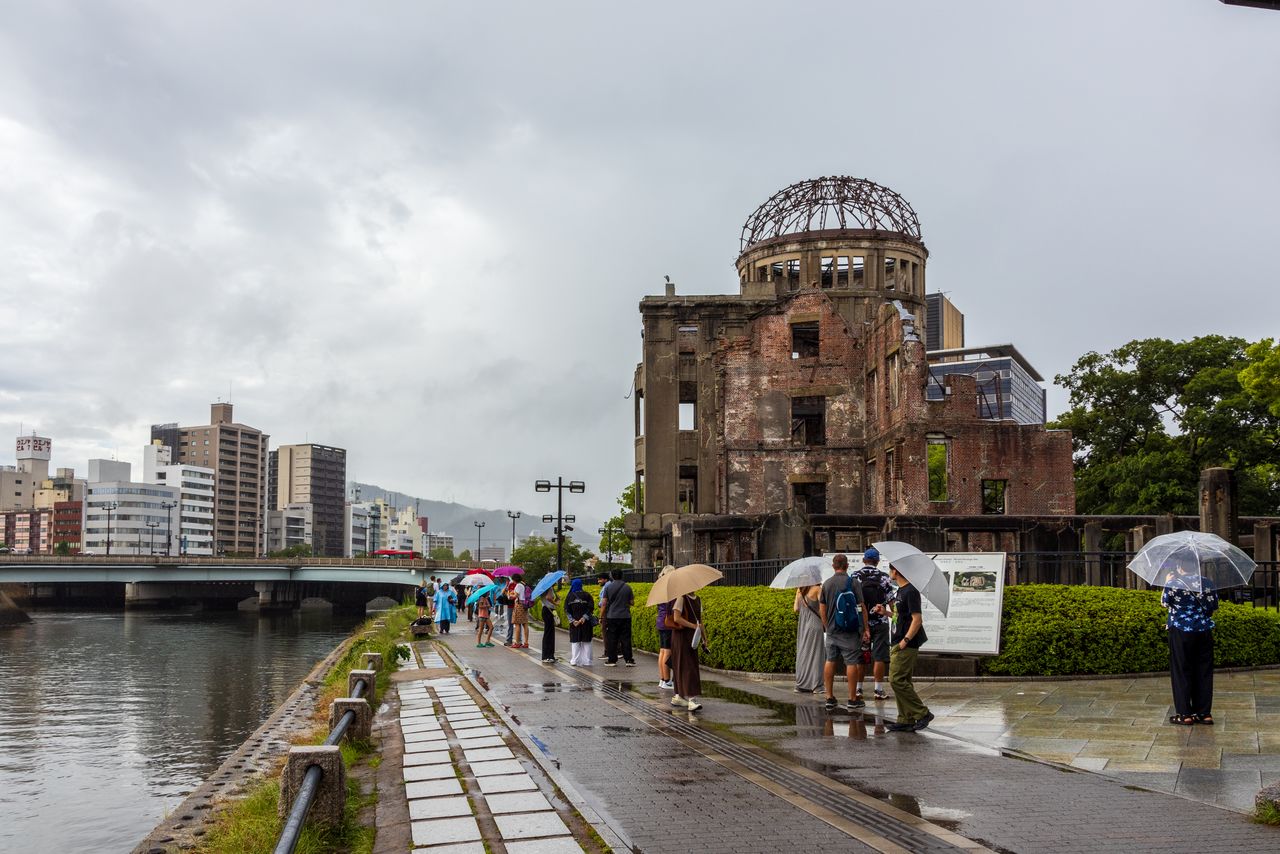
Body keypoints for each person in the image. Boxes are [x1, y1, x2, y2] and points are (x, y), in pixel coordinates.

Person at [1162, 565, 1219, 725]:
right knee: (1204, 671)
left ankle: (1184, 714)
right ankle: (1204, 713)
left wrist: (1167, 582)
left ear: (1180, 567)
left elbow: (1165, 603)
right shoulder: (1207, 583)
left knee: (1181, 670)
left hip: (1181, 630)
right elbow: (1213, 606)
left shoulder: (1173, 583)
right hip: (1203, 630)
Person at [819, 553, 872, 711]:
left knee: (830, 660)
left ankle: (829, 697)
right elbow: (861, 606)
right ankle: (852, 699)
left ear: (833, 566)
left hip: (832, 630)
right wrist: (866, 628)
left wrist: (827, 626)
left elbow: (822, 608)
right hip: (850, 631)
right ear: (847, 566)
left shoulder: (827, 584)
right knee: (851, 662)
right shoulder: (853, 583)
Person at [885, 562, 932, 732]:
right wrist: (885, 613)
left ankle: (922, 713)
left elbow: (917, 619)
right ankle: (905, 718)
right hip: (898, 640)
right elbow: (900, 616)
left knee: (896, 680)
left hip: (906, 643)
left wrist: (905, 640)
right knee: (903, 681)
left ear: (896, 571)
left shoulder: (911, 591)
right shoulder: (901, 590)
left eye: (890, 570)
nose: (889, 573)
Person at [853, 548, 895, 703]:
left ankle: (858, 689)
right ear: (877, 561)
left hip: (861, 624)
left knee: (861, 657)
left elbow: (852, 600)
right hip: (880, 622)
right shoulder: (884, 577)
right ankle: (878, 690)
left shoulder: (855, 576)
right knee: (879, 656)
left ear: (864, 560)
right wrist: (894, 615)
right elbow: (891, 600)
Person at [668, 588, 705, 711]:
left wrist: (704, 638)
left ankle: (679, 696)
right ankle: (691, 699)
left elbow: (700, 621)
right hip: (681, 637)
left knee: (689, 665)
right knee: (687, 666)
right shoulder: (681, 598)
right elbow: (676, 618)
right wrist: (693, 626)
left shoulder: (698, 599)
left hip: (692, 637)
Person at [793, 582, 824, 693]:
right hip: (815, 624)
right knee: (816, 655)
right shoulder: (817, 589)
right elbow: (822, 608)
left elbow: (796, 609)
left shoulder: (800, 590)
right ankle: (816, 686)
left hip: (803, 625)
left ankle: (801, 684)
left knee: (803, 653)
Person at [600, 569, 635, 667]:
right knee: (626, 638)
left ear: (612, 576)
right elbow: (632, 602)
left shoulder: (608, 587)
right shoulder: (627, 587)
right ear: (622, 576)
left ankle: (612, 660)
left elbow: (604, 603)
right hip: (625, 616)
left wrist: (601, 616)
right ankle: (629, 660)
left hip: (612, 616)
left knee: (612, 638)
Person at [565, 577, 595, 665]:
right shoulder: (587, 595)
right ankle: (587, 661)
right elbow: (591, 608)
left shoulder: (569, 596)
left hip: (574, 623)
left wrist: (573, 621)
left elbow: (567, 610)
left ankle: (574, 660)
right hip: (586, 622)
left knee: (575, 641)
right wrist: (583, 618)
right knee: (587, 641)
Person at [656, 566, 676, 689]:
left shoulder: (660, 586)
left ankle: (662, 679)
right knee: (668, 651)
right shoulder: (670, 589)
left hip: (661, 620)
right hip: (668, 622)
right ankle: (667, 681)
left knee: (663, 651)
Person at [540, 580, 561, 663]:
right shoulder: (549, 588)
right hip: (548, 610)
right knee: (549, 633)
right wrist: (556, 603)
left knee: (549, 633)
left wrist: (556, 598)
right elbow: (548, 597)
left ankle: (549, 655)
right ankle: (547, 656)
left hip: (546, 610)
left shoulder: (545, 588)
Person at [511, 573, 530, 649]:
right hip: (525, 605)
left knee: (517, 624)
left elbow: (515, 596)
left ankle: (517, 642)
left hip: (519, 605)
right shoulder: (523, 584)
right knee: (525, 624)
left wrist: (510, 595)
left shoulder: (518, 585)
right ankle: (526, 643)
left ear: (514, 579)